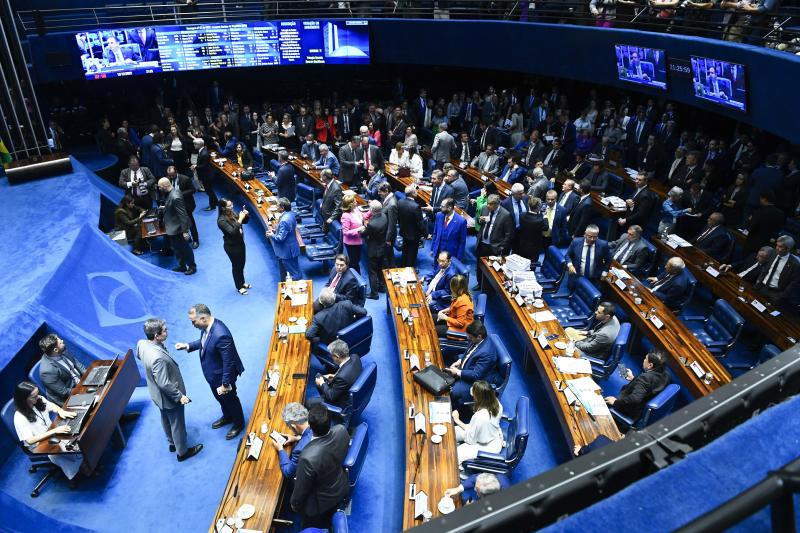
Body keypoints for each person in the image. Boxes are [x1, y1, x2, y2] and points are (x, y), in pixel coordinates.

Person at [175, 304, 246, 440]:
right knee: (220, 398)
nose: (192, 324)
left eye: (193, 321)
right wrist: (188, 346)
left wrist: (225, 383)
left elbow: (228, 361)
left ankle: (238, 423)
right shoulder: (206, 326)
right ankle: (228, 416)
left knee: (231, 400)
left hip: (223, 378)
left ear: (202, 318)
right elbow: (204, 341)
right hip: (213, 375)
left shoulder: (221, 334)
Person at [136, 318, 203, 462]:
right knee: (177, 423)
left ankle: (172, 443)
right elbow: (164, 383)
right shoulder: (158, 358)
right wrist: (179, 396)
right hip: (168, 396)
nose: (167, 331)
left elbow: (140, 355)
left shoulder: (142, 344)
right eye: (165, 330)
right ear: (156, 335)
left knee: (165, 418)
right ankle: (182, 452)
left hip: (156, 395)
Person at [290, 404, 350, 529]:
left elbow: (300, 491)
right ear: (329, 421)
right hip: (342, 485)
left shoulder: (307, 457)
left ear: (310, 427)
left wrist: (294, 505)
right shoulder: (341, 430)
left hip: (321, 505)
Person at [12, 381, 84, 483]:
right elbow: (30, 440)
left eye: (37, 394)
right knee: (60, 452)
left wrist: (61, 411)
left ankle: (84, 461)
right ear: (24, 399)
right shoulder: (19, 417)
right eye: (34, 396)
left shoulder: (39, 399)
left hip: (51, 431)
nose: (38, 397)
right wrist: (54, 430)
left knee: (76, 435)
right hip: (38, 444)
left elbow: (53, 407)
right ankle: (74, 475)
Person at [445, 320, 502, 415]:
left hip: (477, 381)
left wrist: (458, 372)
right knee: (444, 376)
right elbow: (469, 352)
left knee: (451, 391)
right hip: (467, 369)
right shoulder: (476, 340)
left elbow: (476, 375)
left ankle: (450, 412)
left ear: (479, 336)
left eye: (470, 337)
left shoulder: (487, 353)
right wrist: (460, 361)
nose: (468, 338)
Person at [605, 351, 670, 422]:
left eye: (645, 359)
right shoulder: (666, 376)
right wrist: (634, 379)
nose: (644, 360)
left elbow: (635, 399)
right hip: (641, 410)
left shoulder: (645, 378)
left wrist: (615, 402)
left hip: (627, 409)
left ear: (650, 365)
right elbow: (650, 387)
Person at [452, 381, 504, 465]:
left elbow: (470, 440)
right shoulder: (497, 402)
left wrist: (457, 420)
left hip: (488, 446)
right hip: (488, 433)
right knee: (453, 431)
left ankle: (461, 471)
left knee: (456, 454)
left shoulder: (479, 416)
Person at [157, 177, 196, 275]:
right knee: (177, 248)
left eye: (160, 187)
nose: (159, 189)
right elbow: (172, 206)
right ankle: (182, 266)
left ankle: (192, 266)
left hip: (178, 228)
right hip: (172, 227)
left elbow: (182, 215)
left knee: (185, 248)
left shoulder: (176, 197)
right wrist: (165, 207)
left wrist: (185, 231)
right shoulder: (172, 192)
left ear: (165, 186)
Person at [475, 194, 514, 290]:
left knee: (492, 269)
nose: (488, 206)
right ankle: (479, 283)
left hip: (494, 246)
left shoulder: (505, 215)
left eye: (491, 204)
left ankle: (490, 288)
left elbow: (508, 234)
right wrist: (480, 220)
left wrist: (501, 247)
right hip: (482, 243)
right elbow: (479, 221)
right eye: (488, 203)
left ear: (497, 204)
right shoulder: (484, 208)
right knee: (479, 265)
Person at [311, 339, 363, 410]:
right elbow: (348, 373)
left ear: (337, 356)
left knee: (308, 402)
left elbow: (331, 396)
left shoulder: (342, 378)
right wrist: (335, 376)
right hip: (347, 386)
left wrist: (322, 383)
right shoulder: (355, 357)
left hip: (341, 402)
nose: (331, 357)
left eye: (331, 355)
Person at [37, 333, 87, 406]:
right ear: (55, 350)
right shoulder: (47, 371)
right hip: (69, 397)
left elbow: (78, 365)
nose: (62, 341)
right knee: (95, 400)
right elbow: (64, 392)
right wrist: (83, 390)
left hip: (81, 384)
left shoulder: (62, 350)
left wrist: (90, 376)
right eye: (60, 342)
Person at [754, 235, 800, 308]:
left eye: (780, 247)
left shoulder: (794, 264)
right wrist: (758, 281)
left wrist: (781, 296)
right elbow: (765, 269)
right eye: (777, 245)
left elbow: (793, 283)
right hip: (761, 287)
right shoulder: (773, 253)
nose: (777, 248)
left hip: (775, 294)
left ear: (788, 249)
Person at [266, 197, 304, 282]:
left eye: (277, 206)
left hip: (287, 252)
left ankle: (300, 289)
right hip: (290, 248)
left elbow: (280, 238)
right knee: (294, 269)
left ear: (282, 207)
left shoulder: (284, 220)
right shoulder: (290, 214)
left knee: (295, 273)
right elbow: (287, 230)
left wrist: (272, 235)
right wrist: (276, 230)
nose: (276, 207)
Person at [217, 198, 250, 295]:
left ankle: (242, 282)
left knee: (242, 264)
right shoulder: (221, 221)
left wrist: (246, 215)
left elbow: (244, 222)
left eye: (232, 204)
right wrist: (240, 218)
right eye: (229, 206)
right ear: (223, 208)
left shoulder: (231, 212)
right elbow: (232, 232)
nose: (232, 207)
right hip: (232, 247)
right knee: (236, 267)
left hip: (240, 243)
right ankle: (239, 286)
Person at [272, 402, 313, 480]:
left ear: (293, 425)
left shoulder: (299, 450)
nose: (290, 429)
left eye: (289, 427)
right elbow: (309, 436)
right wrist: (296, 438)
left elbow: (288, 472)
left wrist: (280, 449)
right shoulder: (316, 423)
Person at [566, 225, 610, 289]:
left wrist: (604, 272)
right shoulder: (576, 242)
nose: (592, 239)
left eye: (595, 237)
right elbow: (568, 255)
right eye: (590, 236)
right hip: (577, 276)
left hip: (594, 278)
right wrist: (570, 265)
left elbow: (608, 259)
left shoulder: (603, 245)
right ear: (585, 234)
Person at [166, 165, 199, 248]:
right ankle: (187, 238)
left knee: (190, 223)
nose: (171, 177)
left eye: (172, 175)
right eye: (169, 175)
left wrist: (179, 194)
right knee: (179, 222)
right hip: (174, 206)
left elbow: (193, 190)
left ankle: (196, 240)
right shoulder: (167, 180)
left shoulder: (185, 179)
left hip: (186, 205)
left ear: (176, 172)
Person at [360, 200, 388, 299]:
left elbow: (364, 234)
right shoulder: (384, 216)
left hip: (373, 250)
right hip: (382, 247)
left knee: (372, 272)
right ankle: (382, 287)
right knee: (380, 269)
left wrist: (363, 228)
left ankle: (374, 294)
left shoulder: (372, 225)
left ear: (371, 210)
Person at [340, 193, 370, 274]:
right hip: (351, 243)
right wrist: (358, 229)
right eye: (354, 201)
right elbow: (345, 232)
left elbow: (363, 217)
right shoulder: (345, 215)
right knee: (354, 263)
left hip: (358, 241)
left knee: (357, 260)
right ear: (350, 204)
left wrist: (371, 210)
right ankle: (356, 281)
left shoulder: (356, 209)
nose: (356, 202)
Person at [397, 185, 426, 267]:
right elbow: (420, 224)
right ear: (413, 194)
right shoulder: (416, 206)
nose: (417, 193)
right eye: (416, 192)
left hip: (403, 231)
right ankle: (409, 269)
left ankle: (403, 265)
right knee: (412, 253)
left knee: (405, 250)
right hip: (414, 234)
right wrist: (426, 234)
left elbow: (399, 218)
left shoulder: (400, 202)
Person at [444, 472, 510, 504]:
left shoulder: (498, 501)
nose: (474, 489)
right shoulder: (487, 478)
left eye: (477, 489)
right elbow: (474, 478)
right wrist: (457, 489)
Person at [501, 183, 529, 252]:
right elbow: (502, 220)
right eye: (520, 194)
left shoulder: (525, 198)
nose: (522, 195)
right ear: (513, 194)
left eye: (523, 193)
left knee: (517, 252)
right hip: (510, 233)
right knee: (505, 253)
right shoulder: (505, 203)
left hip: (522, 233)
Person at [517, 196, 546, 264]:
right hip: (534, 248)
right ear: (538, 207)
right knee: (532, 265)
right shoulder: (540, 220)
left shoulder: (521, 215)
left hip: (522, 245)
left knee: (522, 263)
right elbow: (546, 227)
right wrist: (545, 217)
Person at [192, 138, 218, 211]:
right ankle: (215, 202)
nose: (194, 145)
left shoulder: (204, 153)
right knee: (210, 190)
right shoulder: (202, 151)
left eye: (195, 144)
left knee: (209, 191)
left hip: (207, 175)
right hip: (206, 174)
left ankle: (212, 206)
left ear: (199, 145)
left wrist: (195, 166)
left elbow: (204, 165)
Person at [378, 182, 399, 268]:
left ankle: (388, 274)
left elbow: (392, 224)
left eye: (380, 192)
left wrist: (388, 239)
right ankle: (392, 270)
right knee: (389, 254)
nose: (379, 194)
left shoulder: (392, 204)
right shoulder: (387, 199)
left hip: (388, 235)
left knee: (386, 256)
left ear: (386, 191)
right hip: (385, 232)